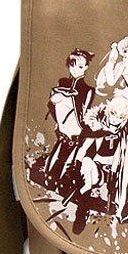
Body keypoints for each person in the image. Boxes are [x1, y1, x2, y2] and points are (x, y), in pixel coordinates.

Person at [71, 96, 128, 235]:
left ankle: (122, 211)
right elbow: (82, 149)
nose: (115, 119)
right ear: (108, 111)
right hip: (95, 167)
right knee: (87, 169)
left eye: (120, 117)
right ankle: (81, 212)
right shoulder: (94, 125)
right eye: (113, 114)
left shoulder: (126, 130)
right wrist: (77, 168)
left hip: (117, 170)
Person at [29, 49, 95, 191]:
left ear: (86, 67)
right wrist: (57, 101)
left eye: (80, 66)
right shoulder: (62, 82)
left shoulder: (88, 90)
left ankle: (61, 183)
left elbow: (82, 112)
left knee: (67, 161)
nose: (75, 69)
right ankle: (49, 179)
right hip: (62, 128)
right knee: (55, 159)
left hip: (76, 131)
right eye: (72, 65)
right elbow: (52, 104)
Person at [95, 36, 128, 101]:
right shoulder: (121, 65)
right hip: (127, 96)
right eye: (125, 51)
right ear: (121, 53)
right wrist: (110, 63)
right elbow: (111, 82)